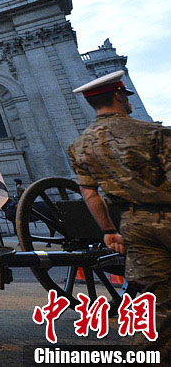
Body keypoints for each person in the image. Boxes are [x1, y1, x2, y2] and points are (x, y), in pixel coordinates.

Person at [68, 70, 171, 352]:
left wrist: (109, 231)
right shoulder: (154, 132)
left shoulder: (79, 146)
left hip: (132, 226)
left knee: (156, 305)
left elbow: (89, 194)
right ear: (118, 95)